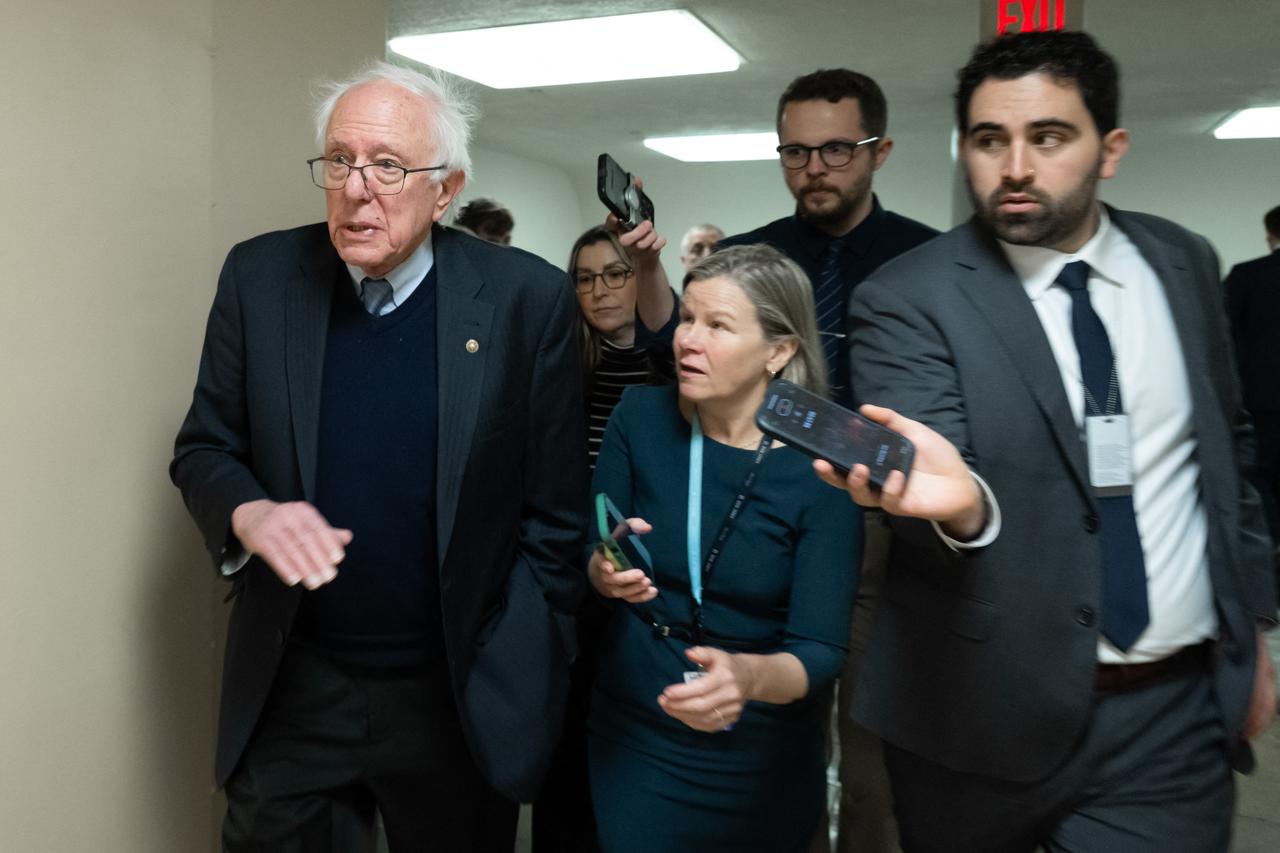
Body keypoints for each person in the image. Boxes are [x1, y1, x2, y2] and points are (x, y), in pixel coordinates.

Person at [818, 31, 1278, 852]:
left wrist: (1251, 621)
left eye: (1049, 136)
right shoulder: (907, 296)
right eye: (990, 140)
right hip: (979, 712)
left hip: (1169, 716)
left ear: (1111, 148)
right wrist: (963, 510)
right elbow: (938, 486)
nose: (1016, 166)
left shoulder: (1183, 262)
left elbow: (1226, 451)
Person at [170, 61, 587, 852]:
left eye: (389, 166)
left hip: (457, 691)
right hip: (298, 683)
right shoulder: (259, 279)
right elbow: (205, 446)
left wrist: (528, 657)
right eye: (339, 160)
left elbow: (555, 517)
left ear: (446, 188)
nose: (357, 187)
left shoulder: (524, 301)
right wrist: (249, 510)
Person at [718, 68, 939, 853]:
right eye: (796, 151)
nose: (814, 168)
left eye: (836, 149)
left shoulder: (932, 262)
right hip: (774, 520)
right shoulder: (748, 262)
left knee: (876, 755)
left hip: (889, 529)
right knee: (775, 740)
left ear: (879, 150)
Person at [587, 244, 862, 853]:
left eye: (718, 326)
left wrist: (745, 677)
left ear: (779, 351)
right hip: (638, 723)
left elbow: (819, 652)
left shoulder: (823, 470)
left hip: (758, 739)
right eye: (687, 318)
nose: (687, 339)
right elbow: (599, 544)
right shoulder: (638, 416)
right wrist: (605, 570)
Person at [532, 219, 677, 853]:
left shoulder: (670, 366)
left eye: (615, 273)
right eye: (585, 278)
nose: (600, 290)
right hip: (570, 563)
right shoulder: (561, 361)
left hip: (653, 568)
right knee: (568, 725)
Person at [1226, 204, 1280, 576]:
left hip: (1262, 401)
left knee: (1263, 480)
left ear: (1269, 234)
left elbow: (1219, 341)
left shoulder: (1248, 277)